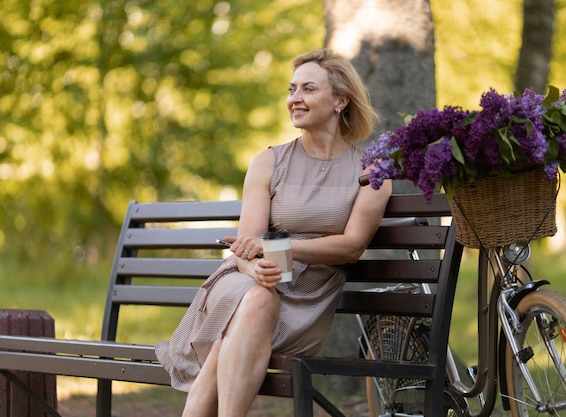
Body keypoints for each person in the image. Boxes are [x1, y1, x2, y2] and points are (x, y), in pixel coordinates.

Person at [155, 48, 392, 417]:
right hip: (247, 281)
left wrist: (277, 245)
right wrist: (257, 266)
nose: (294, 99)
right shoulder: (269, 161)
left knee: (229, 342)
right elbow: (247, 245)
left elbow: (350, 247)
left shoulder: (369, 171)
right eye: (291, 89)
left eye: (308, 89)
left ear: (341, 100)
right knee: (259, 299)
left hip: (308, 301)